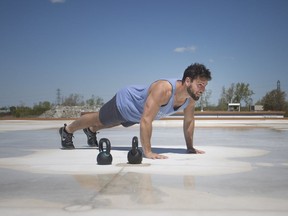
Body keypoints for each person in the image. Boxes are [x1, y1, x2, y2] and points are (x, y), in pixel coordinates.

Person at [59, 63, 212, 159]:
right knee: (99, 119)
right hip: (126, 102)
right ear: (187, 81)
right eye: (200, 84)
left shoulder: (191, 99)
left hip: (136, 114)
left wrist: (190, 148)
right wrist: (148, 152)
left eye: (204, 85)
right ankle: (67, 130)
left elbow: (189, 122)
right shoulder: (164, 89)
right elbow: (146, 120)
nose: (203, 89)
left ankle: (91, 131)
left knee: (111, 123)